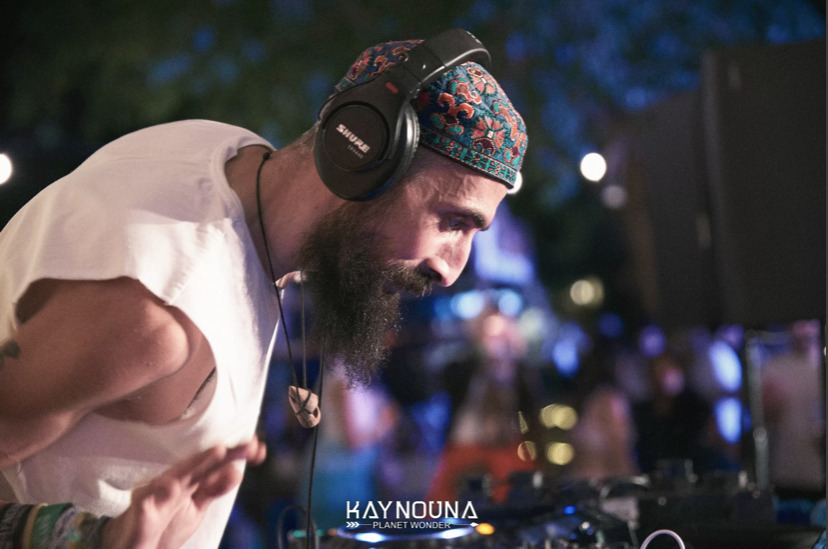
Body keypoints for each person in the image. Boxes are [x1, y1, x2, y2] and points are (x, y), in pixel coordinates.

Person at [0, 29, 527, 548]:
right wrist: (91, 538)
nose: (452, 270)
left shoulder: (219, 150)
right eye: (453, 222)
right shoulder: (160, 309)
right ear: (364, 155)